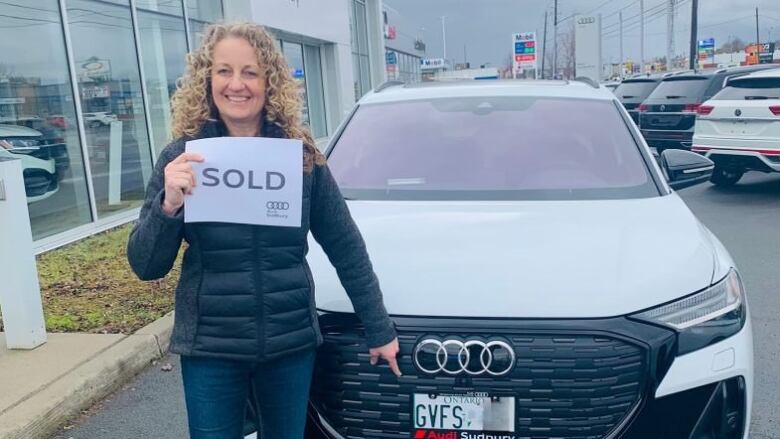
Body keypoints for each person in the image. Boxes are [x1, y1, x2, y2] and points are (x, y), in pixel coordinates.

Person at [126, 22, 400, 439]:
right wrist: (169, 205)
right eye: (224, 71)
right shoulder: (183, 157)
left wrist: (379, 329)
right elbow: (146, 266)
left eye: (250, 72)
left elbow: (345, 246)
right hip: (210, 348)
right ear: (207, 79)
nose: (237, 85)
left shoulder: (302, 157)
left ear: (269, 81)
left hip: (288, 346)